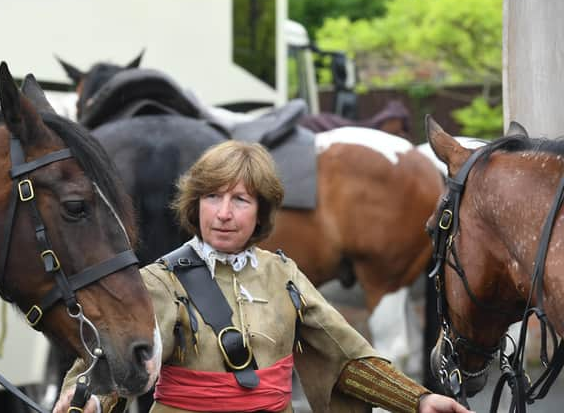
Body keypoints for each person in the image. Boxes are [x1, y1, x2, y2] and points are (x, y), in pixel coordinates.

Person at [53, 140, 472, 413]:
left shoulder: (284, 275)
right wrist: (85, 401)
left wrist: (419, 399)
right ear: (194, 204)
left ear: (262, 213)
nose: (223, 213)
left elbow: (347, 358)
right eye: (212, 196)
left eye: (240, 199)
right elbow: (119, 357)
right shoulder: (159, 281)